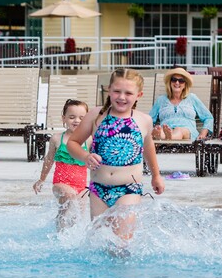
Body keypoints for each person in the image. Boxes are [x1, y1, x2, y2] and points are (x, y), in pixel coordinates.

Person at [67, 68, 164, 248]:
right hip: (99, 190)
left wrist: (156, 175)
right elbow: (72, 143)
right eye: (117, 91)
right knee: (100, 243)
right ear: (109, 90)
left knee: (121, 243)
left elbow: (148, 147)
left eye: (128, 93)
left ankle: (123, 275)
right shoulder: (96, 116)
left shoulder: (144, 120)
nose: (122, 97)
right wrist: (85, 156)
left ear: (139, 95)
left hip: (129, 189)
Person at [33, 99, 90, 230]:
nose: (76, 120)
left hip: (81, 186)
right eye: (71, 117)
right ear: (63, 118)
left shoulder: (89, 139)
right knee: (69, 196)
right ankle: (60, 235)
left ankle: (66, 236)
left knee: (77, 216)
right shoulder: (57, 138)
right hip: (60, 183)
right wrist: (41, 180)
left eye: (82, 118)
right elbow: (49, 160)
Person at [149, 67, 214, 141]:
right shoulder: (161, 100)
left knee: (179, 130)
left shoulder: (192, 98)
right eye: (174, 80)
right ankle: (164, 136)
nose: (177, 83)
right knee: (159, 130)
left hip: (186, 131)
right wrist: (154, 129)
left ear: (185, 84)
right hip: (165, 129)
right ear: (170, 83)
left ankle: (169, 137)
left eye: (181, 81)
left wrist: (202, 134)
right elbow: (149, 119)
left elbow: (208, 118)